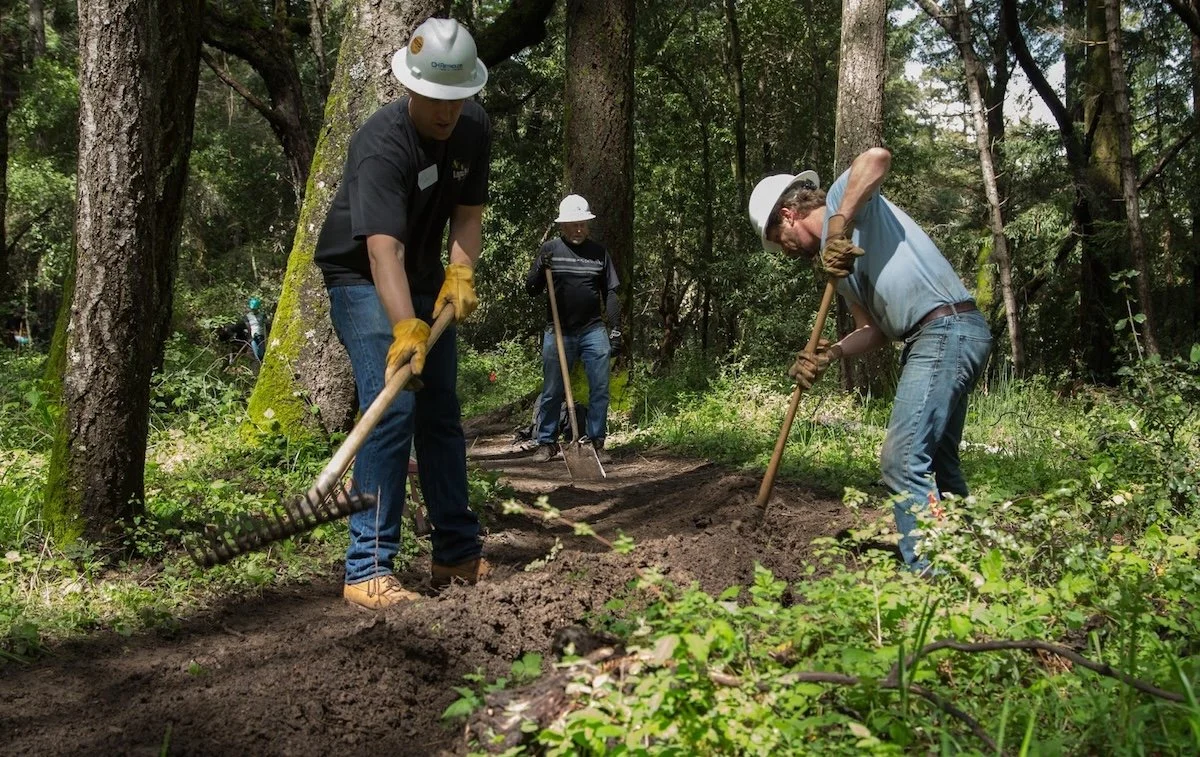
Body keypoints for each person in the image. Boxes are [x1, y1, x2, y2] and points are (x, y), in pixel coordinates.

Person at [313, 17, 491, 609]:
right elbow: (380, 249)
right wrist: (404, 328)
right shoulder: (380, 144)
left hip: (421, 277)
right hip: (363, 278)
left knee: (440, 409)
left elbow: (467, 213)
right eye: (436, 99)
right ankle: (367, 568)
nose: (447, 113)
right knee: (393, 405)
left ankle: (455, 554)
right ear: (410, 87)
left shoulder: (473, 128)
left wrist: (458, 271)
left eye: (457, 99)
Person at [748, 147, 993, 573]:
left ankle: (932, 576)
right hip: (939, 336)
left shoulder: (846, 199)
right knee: (939, 459)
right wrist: (832, 352)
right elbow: (873, 331)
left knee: (900, 462)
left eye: (779, 242)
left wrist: (839, 223)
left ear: (787, 214)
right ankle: (969, 556)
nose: (786, 252)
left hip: (944, 328)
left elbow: (877, 158)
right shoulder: (836, 270)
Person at [525, 194, 622, 464]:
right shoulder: (550, 250)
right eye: (573, 225)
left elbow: (611, 293)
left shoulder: (599, 254)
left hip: (593, 331)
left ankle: (597, 442)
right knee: (552, 389)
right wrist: (538, 268)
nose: (579, 230)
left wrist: (616, 329)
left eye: (583, 224)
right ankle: (546, 442)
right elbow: (531, 289)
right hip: (558, 331)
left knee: (600, 387)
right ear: (563, 226)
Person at [245, 297, 267, 362]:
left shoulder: (262, 315)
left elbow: (267, 323)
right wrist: (249, 337)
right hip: (252, 337)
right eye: (253, 309)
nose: (254, 311)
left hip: (261, 336)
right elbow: (248, 327)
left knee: (261, 353)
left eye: (255, 309)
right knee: (256, 355)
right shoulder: (247, 316)